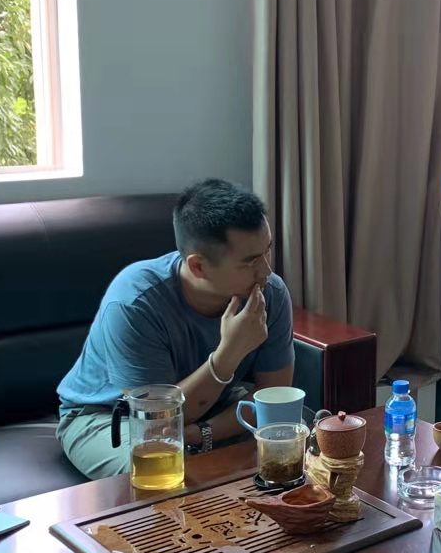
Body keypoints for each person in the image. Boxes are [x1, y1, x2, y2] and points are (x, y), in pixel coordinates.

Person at [57, 179, 295, 477]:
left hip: (212, 410)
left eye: (267, 251)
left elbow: (273, 398)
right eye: (249, 262)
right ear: (198, 267)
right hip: (111, 418)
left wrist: (200, 434)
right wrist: (229, 354)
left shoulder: (270, 292)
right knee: (159, 471)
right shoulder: (134, 302)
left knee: (299, 442)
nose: (266, 271)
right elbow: (158, 422)